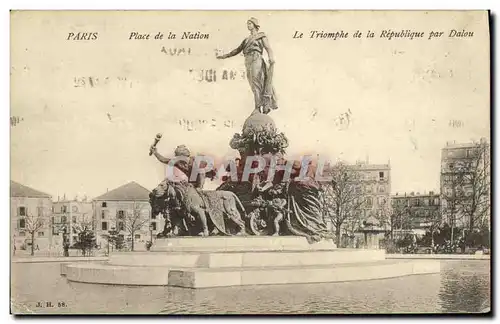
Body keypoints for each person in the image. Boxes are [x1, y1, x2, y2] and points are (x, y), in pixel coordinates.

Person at [217, 17, 278, 114]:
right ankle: (260, 105)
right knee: (253, 85)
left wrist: (271, 58)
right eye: (247, 24)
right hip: (248, 61)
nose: (248, 25)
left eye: (250, 23)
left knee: (257, 82)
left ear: (254, 25)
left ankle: (259, 107)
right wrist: (225, 56)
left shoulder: (261, 36)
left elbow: (268, 48)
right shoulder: (246, 40)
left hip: (256, 59)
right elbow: (237, 50)